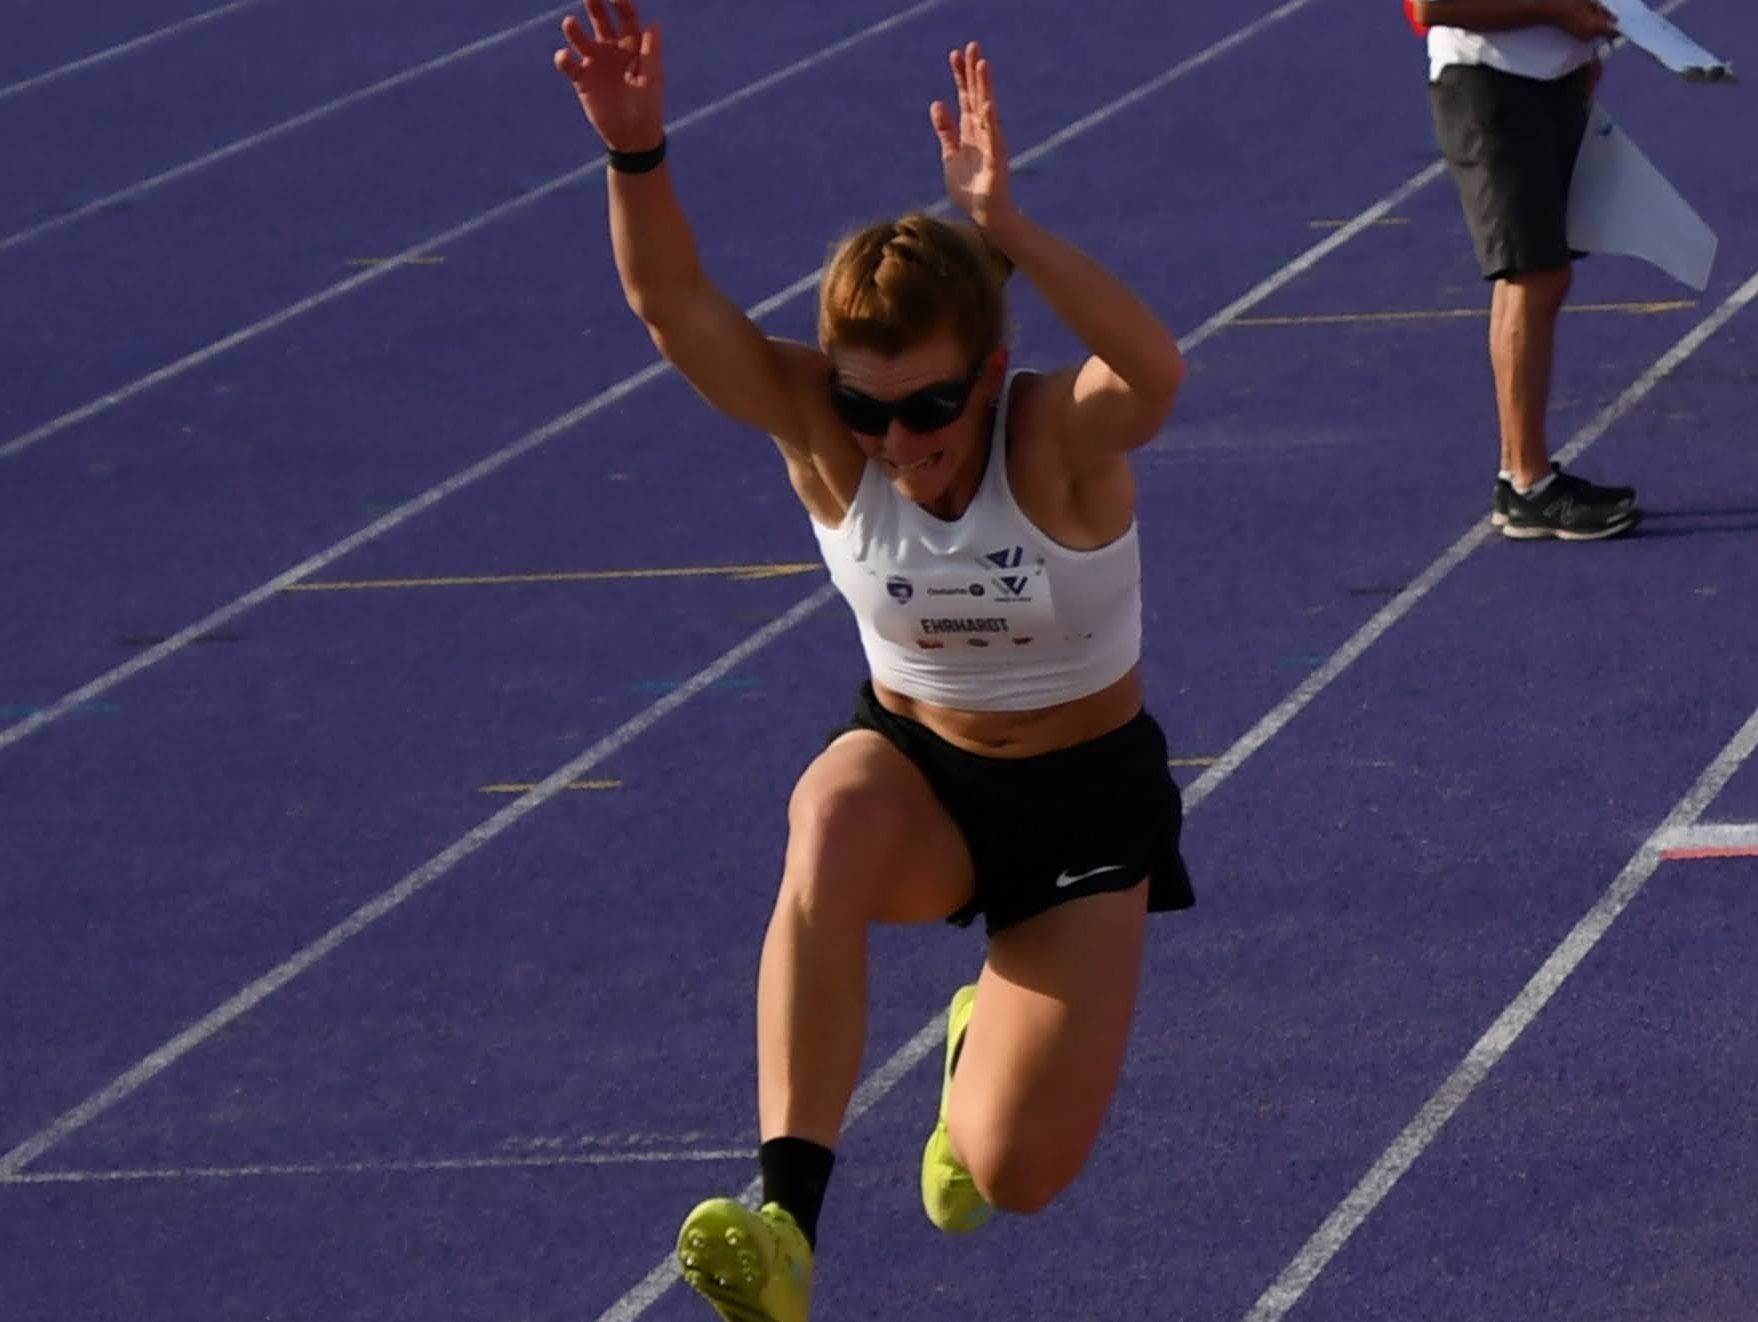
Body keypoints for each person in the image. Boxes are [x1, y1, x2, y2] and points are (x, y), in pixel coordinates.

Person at [555, 4, 1193, 1319]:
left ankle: (976, 1050)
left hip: (1083, 801)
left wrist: (1006, 229)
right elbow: (672, 302)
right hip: (918, 778)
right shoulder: (824, 436)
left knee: (1013, 1175)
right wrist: (635, 152)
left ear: (991, 372)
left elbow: (1153, 370)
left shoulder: (1053, 444)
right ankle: (784, 1214)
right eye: (865, 404)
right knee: (827, 810)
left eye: (928, 406)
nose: (897, 442)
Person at [1413, 0, 1642, 540]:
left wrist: (1578, 47)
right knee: (1531, 273)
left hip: (1542, 80)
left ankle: (1521, 474)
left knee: (1537, 274)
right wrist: (1557, 11)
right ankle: (1526, 483)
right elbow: (1432, 5)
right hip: (1489, 87)